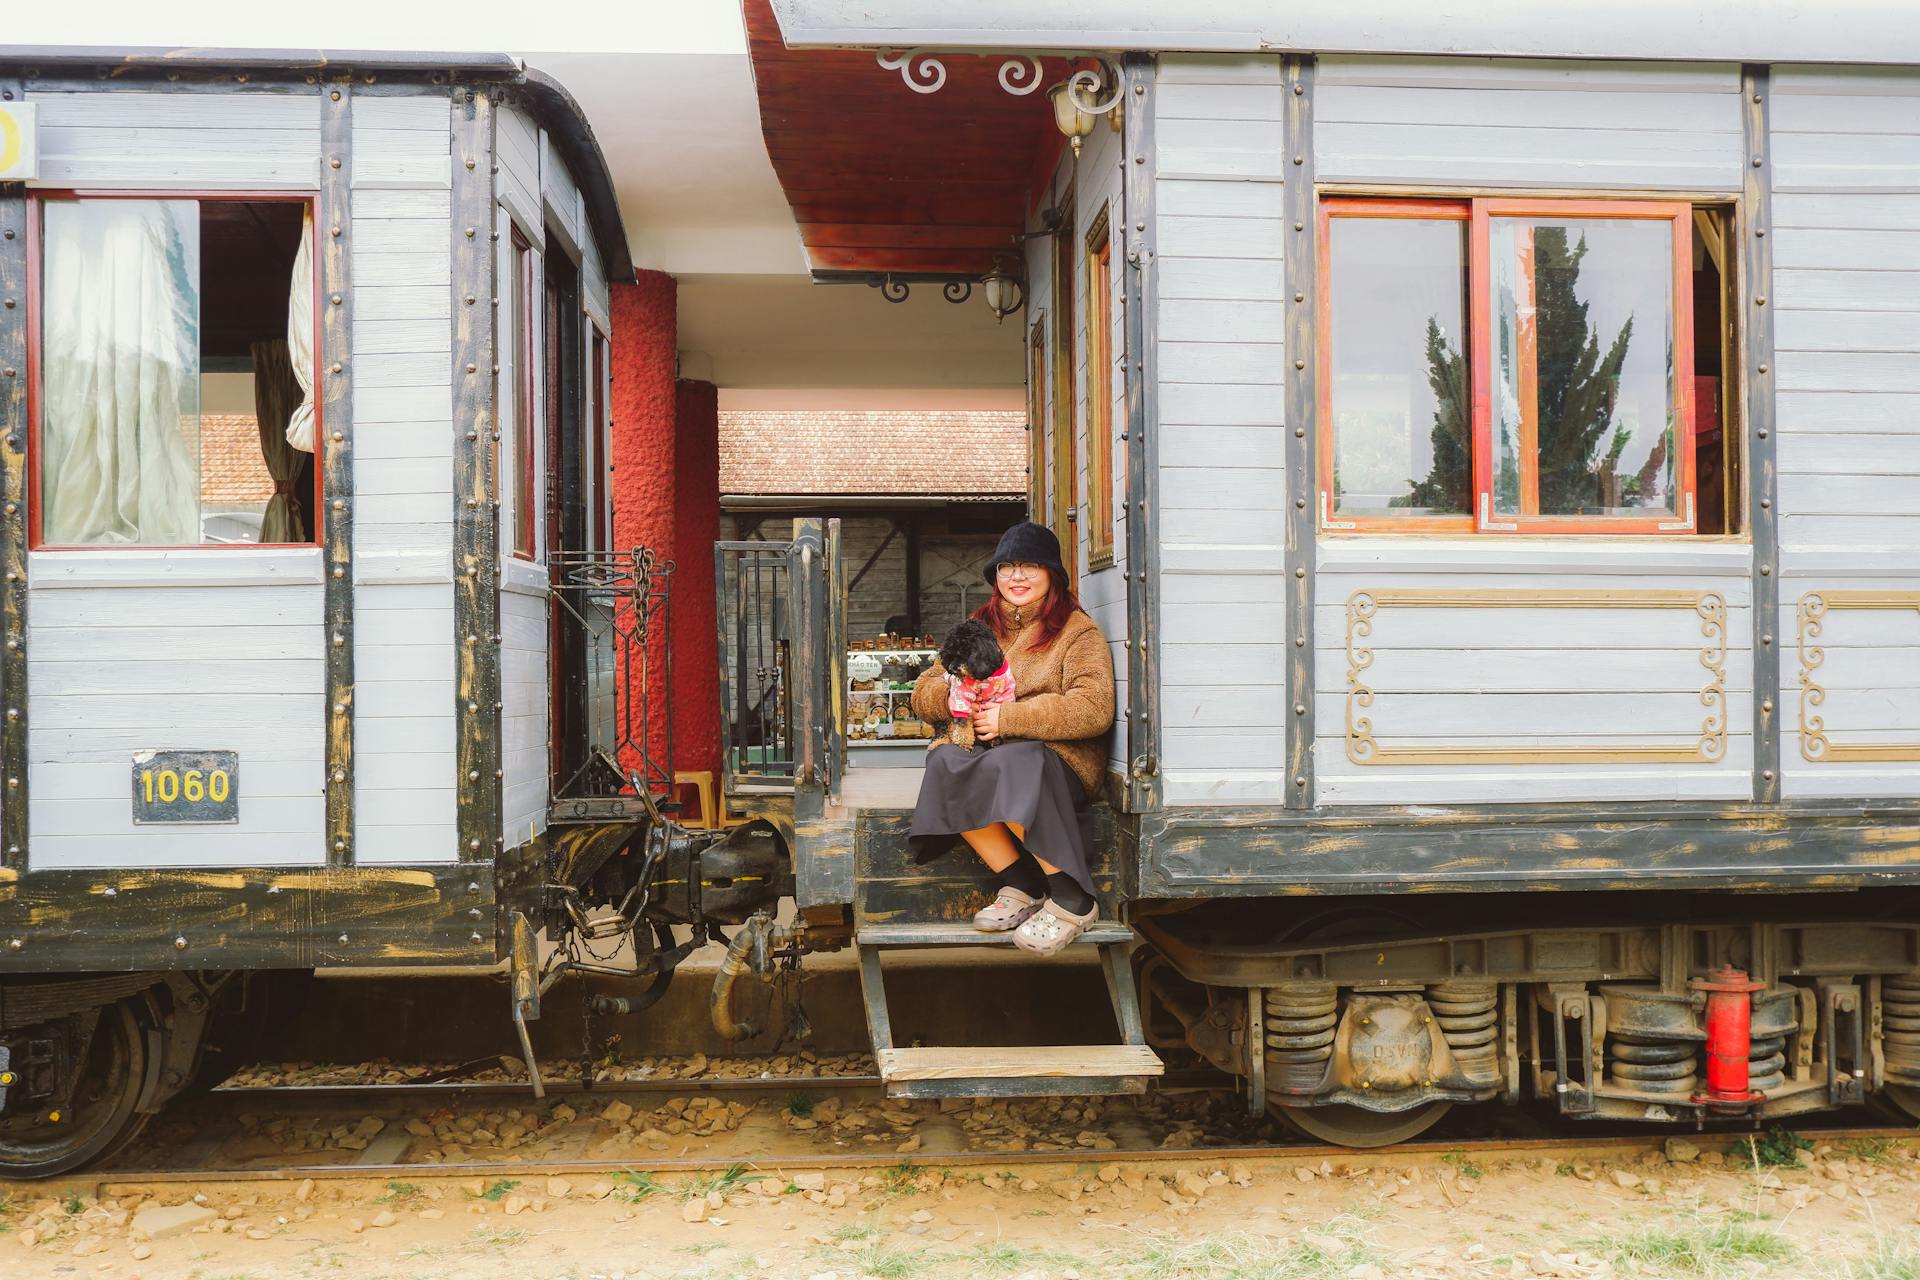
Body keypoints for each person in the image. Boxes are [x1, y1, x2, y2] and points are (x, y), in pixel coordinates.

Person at [907, 521, 1115, 955]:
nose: (1017, 577)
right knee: (945, 761)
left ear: (1052, 575)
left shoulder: (1077, 632)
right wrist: (953, 697)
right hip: (996, 753)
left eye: (1030, 566)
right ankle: (1021, 884)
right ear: (995, 576)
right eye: (1007, 567)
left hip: (1062, 759)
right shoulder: (978, 626)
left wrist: (1009, 718)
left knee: (1013, 761)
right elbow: (923, 691)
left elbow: (1094, 707)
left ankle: (1073, 898)